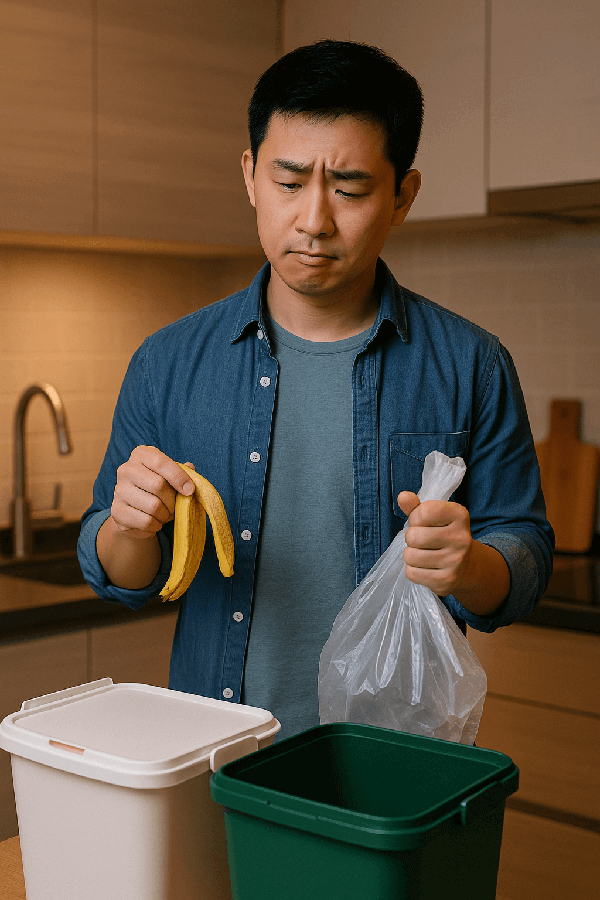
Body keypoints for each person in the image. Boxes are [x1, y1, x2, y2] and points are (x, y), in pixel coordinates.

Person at [78, 40, 554, 740]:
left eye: (352, 190)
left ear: (403, 196)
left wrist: (471, 564)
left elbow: (526, 550)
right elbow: (118, 572)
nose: (314, 220)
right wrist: (126, 523)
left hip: (390, 755)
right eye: (289, 182)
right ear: (249, 175)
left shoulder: (472, 363)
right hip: (214, 752)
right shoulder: (168, 361)